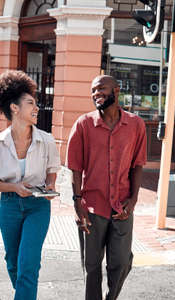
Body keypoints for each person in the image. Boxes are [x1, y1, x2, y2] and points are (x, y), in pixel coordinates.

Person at [67, 75, 147, 300]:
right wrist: (77, 202)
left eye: (101, 88)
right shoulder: (84, 124)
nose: (96, 93)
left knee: (121, 262)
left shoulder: (136, 124)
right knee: (91, 267)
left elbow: (138, 164)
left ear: (116, 90)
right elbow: (74, 167)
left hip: (122, 207)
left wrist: (133, 200)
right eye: (93, 90)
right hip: (92, 207)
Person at [0, 70, 61, 300]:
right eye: (30, 103)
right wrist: (15, 188)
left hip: (38, 208)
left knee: (29, 263)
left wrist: (49, 187)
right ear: (14, 108)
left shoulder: (46, 140)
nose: (36, 107)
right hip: (9, 206)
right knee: (13, 261)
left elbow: (52, 172)